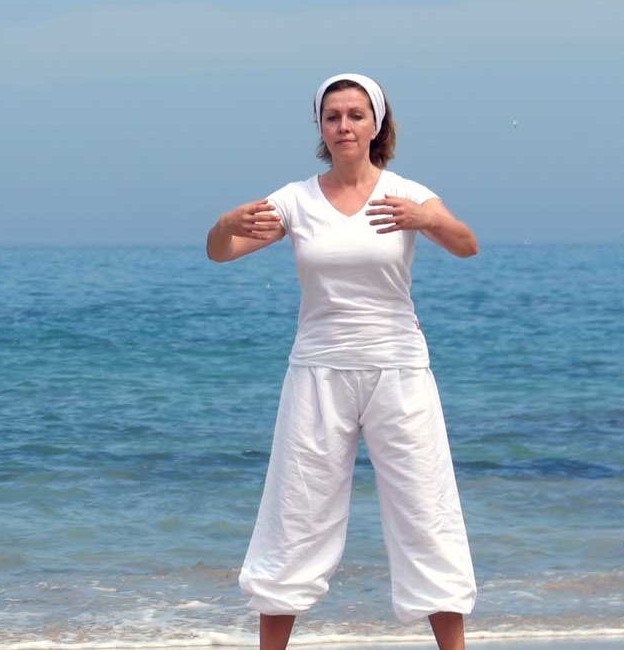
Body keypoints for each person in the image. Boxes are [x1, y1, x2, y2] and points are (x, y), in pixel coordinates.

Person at [205, 73, 479, 650]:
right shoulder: (296, 199)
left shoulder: (407, 193)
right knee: (295, 515)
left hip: (399, 372)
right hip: (318, 373)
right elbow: (222, 253)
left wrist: (427, 219)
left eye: (356, 115)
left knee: (425, 512)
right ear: (321, 129)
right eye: (333, 117)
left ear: (376, 124)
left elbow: (464, 242)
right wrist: (223, 226)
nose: (344, 126)